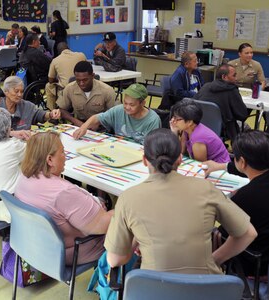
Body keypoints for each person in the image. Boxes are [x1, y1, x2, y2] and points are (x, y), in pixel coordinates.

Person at [105, 128, 257, 274]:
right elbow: (248, 233)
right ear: (179, 158)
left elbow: (114, 260)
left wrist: (137, 238)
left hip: (153, 289)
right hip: (204, 286)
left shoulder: (129, 198)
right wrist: (215, 259)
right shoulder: (206, 188)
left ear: (145, 160)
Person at [15, 131, 113, 265]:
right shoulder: (63, 193)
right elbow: (101, 226)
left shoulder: (23, 179)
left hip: (36, 248)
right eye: (62, 152)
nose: (65, 156)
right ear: (50, 160)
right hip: (74, 250)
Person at [206, 131, 269, 279]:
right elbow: (242, 168)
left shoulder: (247, 196)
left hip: (255, 260)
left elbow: (227, 232)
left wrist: (213, 260)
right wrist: (220, 166)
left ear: (243, 162)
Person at [73, 83, 161, 144]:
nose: (127, 107)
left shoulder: (153, 120)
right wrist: (83, 127)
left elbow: (151, 148)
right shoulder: (119, 110)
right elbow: (97, 118)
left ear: (142, 103)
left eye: (132, 104)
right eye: (125, 103)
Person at [193, 64, 248, 141]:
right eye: (234, 75)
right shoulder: (231, 90)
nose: (236, 78)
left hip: (199, 126)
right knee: (246, 127)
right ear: (224, 77)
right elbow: (243, 115)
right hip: (223, 129)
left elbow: (194, 104)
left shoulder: (205, 86)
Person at [169, 99, 230, 163]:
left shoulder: (198, 138)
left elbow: (200, 165)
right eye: (173, 117)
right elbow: (180, 151)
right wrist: (174, 132)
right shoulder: (188, 129)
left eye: (177, 119)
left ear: (189, 122)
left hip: (219, 168)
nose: (173, 121)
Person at [58, 61, 116, 127]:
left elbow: (114, 115)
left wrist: (98, 123)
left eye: (85, 80)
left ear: (92, 76)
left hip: (101, 127)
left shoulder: (107, 90)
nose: (81, 83)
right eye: (78, 80)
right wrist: (75, 121)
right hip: (79, 125)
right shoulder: (69, 88)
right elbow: (62, 109)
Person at [45, 42, 86, 110]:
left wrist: (58, 79)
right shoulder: (81, 55)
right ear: (69, 48)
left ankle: (53, 113)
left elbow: (50, 80)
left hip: (66, 91)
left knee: (48, 86)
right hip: (83, 87)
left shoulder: (55, 60)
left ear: (58, 52)